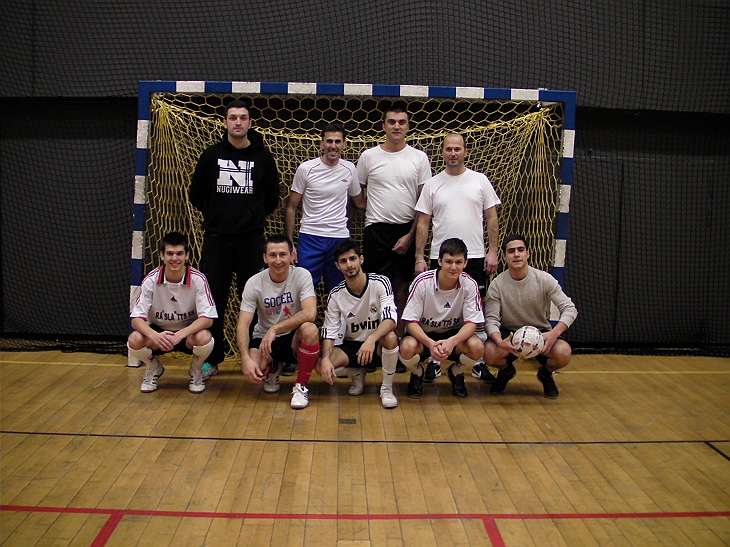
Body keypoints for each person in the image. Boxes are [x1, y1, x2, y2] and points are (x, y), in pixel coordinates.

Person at [189, 99, 280, 381]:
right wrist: (219, 215)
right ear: (225, 122)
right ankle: (212, 359)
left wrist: (249, 216)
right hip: (216, 240)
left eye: (242, 117)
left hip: (251, 241)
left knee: (253, 301)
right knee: (213, 300)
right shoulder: (211, 155)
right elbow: (196, 194)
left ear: (250, 123)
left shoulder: (263, 157)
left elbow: (272, 198)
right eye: (232, 117)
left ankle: (254, 356)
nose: (238, 122)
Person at [414, 133, 501, 384]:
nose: (453, 153)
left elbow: (492, 217)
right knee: (436, 310)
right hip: (440, 259)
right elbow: (423, 223)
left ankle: (477, 363)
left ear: (465, 152)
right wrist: (419, 256)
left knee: (475, 311)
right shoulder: (432, 184)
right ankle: (434, 361)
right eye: (449, 149)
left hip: (474, 257)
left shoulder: (480, 180)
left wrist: (493, 251)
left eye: (457, 149)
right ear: (442, 152)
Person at [355, 102, 432, 334]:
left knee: (402, 288)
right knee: (375, 288)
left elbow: (424, 203)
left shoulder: (419, 158)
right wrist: (375, 208)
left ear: (408, 126)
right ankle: (376, 340)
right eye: (391, 122)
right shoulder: (368, 156)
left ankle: (397, 339)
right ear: (383, 126)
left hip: (407, 230)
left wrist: (410, 236)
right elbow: (356, 196)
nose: (396, 126)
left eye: (401, 122)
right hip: (375, 231)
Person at [483, 234, 578, 398]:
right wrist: (499, 341)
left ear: (528, 253)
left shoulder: (544, 279)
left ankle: (545, 374)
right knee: (489, 352)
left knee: (563, 352)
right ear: (504, 257)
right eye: (511, 251)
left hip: (540, 333)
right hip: (510, 334)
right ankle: (506, 372)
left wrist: (554, 333)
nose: (516, 254)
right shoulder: (497, 285)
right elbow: (491, 320)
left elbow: (570, 309)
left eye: (521, 250)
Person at [236, 235, 320, 409]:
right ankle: (272, 366)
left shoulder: (302, 275)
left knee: (310, 330)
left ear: (292, 255)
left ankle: (300, 386)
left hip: (292, 337)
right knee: (255, 371)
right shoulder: (254, 282)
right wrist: (245, 358)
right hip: (265, 339)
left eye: (283, 254)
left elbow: (310, 313)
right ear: (265, 258)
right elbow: (243, 324)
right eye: (272, 255)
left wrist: (275, 329)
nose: (278, 260)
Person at [128, 232, 217, 393]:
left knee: (205, 337)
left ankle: (196, 369)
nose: (174, 258)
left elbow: (207, 319)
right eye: (169, 253)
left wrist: (180, 335)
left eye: (179, 253)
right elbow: (136, 319)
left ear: (187, 255)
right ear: (161, 256)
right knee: (134, 339)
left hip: (187, 334)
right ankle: (154, 368)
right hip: (159, 334)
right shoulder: (151, 280)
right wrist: (155, 336)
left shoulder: (198, 279)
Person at [316, 240, 400, 409]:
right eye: (343, 261)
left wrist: (371, 339)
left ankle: (386, 388)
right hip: (353, 346)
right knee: (321, 365)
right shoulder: (335, 294)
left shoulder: (380, 283)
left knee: (391, 337)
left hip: (376, 344)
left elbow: (391, 320)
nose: (349, 265)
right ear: (337, 266)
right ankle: (356, 373)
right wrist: (325, 359)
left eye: (352, 259)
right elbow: (329, 331)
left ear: (361, 259)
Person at [399, 238, 485, 399]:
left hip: (454, 336)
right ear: (439, 261)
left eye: (458, 262)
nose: (453, 267)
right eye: (448, 261)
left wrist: (452, 342)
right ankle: (417, 373)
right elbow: (410, 322)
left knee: (477, 347)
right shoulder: (422, 282)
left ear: (465, 263)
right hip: (424, 335)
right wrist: (430, 344)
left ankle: (456, 372)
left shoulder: (470, 284)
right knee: (407, 347)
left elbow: (472, 323)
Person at [285, 122, 366, 292]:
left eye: (337, 141)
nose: (333, 146)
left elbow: (359, 203)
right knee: (303, 289)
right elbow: (291, 207)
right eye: (329, 141)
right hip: (310, 237)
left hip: (339, 238)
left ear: (344, 144)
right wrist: (290, 243)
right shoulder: (306, 169)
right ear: (321, 143)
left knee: (339, 290)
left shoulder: (350, 169)